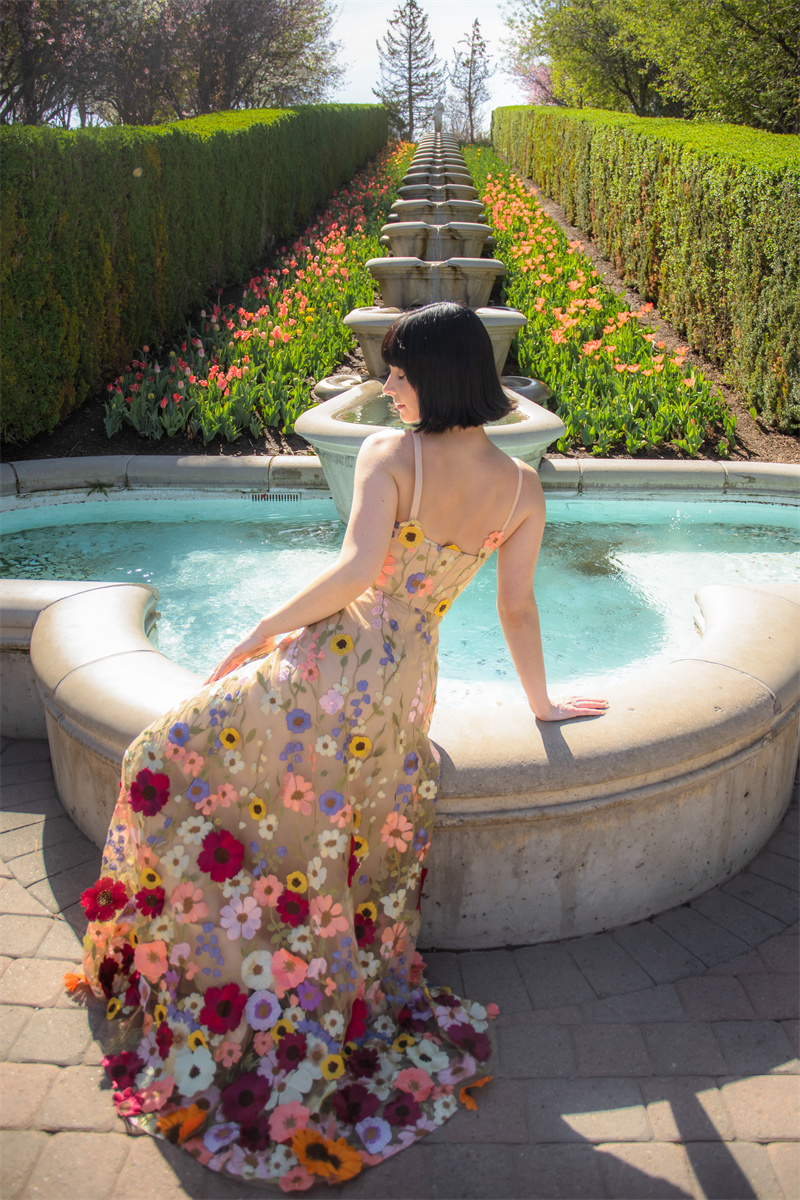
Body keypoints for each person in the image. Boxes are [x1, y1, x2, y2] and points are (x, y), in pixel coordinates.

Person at [79, 302, 607, 1190]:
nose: (386, 389)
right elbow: (517, 607)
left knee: (163, 751)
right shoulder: (523, 489)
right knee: (344, 836)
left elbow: (358, 572)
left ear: (436, 377)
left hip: (335, 665)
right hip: (406, 691)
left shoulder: (388, 453)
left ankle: (216, 954)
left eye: (398, 374)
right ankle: (306, 954)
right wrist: (542, 702)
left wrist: (257, 632)